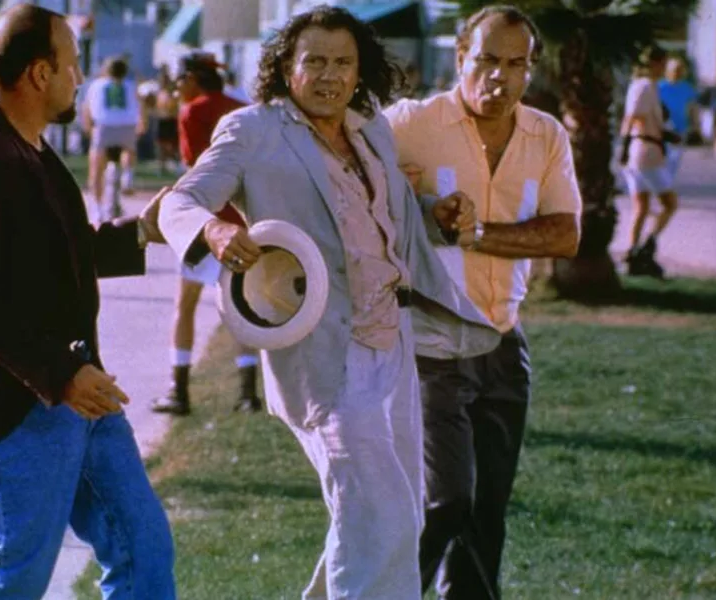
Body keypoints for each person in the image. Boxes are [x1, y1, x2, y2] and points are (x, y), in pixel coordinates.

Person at [158, 6, 500, 599]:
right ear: (285, 67)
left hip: (392, 343)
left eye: (343, 62)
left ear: (360, 69)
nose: (330, 75)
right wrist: (212, 229)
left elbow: (382, 216)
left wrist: (435, 217)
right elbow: (178, 202)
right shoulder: (252, 130)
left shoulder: (371, 127)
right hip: (322, 354)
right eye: (313, 61)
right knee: (379, 516)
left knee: (394, 512)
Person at [0, 5, 174, 597]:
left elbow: (59, 248)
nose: (79, 78)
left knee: (143, 548)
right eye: (72, 64)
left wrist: (141, 230)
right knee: (16, 577)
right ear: (40, 73)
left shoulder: (25, 145)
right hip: (21, 402)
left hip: (78, 391)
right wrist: (60, 376)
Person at [385, 6, 582, 598]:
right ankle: (378, 589)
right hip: (431, 347)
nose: (500, 76)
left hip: (502, 342)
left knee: (485, 515)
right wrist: (405, 197)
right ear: (460, 58)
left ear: (530, 70)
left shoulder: (545, 135)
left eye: (516, 64)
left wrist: (475, 235)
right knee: (445, 501)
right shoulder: (411, 123)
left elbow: (564, 235)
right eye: (488, 60)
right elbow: (351, 188)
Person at [151, 52, 262, 415]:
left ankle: (179, 390)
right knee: (243, 308)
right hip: (242, 222)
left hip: (205, 224)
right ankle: (248, 393)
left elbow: (194, 171)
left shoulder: (191, 112)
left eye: (180, 79)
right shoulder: (241, 108)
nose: (176, 87)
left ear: (193, 79)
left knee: (185, 305)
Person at [620, 44, 678, 279]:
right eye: (663, 64)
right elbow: (634, 117)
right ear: (655, 63)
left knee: (641, 207)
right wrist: (625, 146)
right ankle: (647, 246)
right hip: (646, 151)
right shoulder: (644, 86)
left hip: (639, 150)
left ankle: (632, 252)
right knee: (669, 203)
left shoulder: (642, 85)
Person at [81, 56, 145, 222]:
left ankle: (97, 208)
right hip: (127, 124)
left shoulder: (96, 85)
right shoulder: (131, 85)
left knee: (96, 167)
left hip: (104, 125)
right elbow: (141, 105)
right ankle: (127, 175)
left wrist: (88, 129)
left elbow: (86, 109)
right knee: (128, 150)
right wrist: (142, 124)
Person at [657, 56, 697, 175]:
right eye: (674, 70)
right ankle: (663, 182)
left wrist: (694, 125)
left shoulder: (687, 88)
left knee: (675, 159)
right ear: (667, 71)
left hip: (680, 128)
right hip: (663, 127)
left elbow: (692, 108)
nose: (677, 73)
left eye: (679, 70)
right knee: (662, 158)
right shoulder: (660, 87)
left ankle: (667, 181)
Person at [154, 64, 180, 174]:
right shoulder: (159, 92)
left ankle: (175, 163)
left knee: (172, 144)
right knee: (161, 144)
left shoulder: (172, 93)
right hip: (162, 120)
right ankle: (162, 165)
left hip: (171, 120)